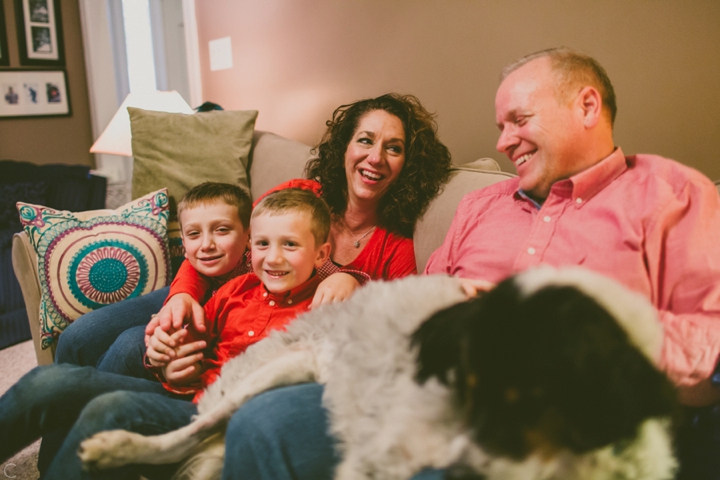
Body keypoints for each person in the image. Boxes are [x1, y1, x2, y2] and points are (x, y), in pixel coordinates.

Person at [213, 48, 720, 480]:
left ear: (587, 106)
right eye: (501, 126)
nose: (501, 142)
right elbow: (416, 303)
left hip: (548, 417)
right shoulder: (483, 205)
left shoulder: (672, 198)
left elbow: (707, 349)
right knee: (263, 422)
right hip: (426, 390)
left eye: (519, 121)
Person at [54, 92, 452, 376]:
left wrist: (353, 283)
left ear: (407, 165)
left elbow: (398, 326)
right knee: (78, 336)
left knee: (130, 344)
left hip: (250, 327)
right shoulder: (297, 195)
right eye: (365, 140)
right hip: (211, 288)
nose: (376, 157)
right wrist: (181, 295)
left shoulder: (394, 247)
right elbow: (228, 254)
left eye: (393, 148)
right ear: (345, 147)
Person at [0, 187, 333, 479]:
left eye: (289, 245)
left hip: (216, 413)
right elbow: (191, 348)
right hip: (187, 393)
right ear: (251, 245)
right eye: (263, 243)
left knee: (113, 408)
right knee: (47, 381)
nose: (273, 257)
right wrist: (167, 363)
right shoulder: (236, 289)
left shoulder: (325, 312)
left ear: (321, 254)